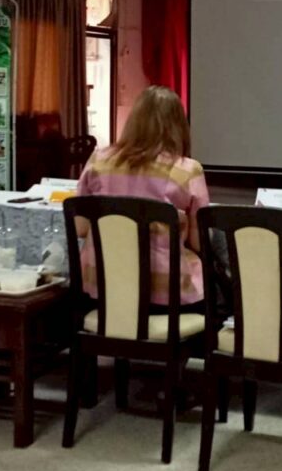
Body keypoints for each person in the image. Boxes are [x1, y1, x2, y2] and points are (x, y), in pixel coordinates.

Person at [76, 85, 209, 306]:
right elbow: (199, 241)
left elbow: (80, 228)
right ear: (179, 126)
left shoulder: (98, 160)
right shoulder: (188, 170)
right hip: (163, 297)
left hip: (101, 290)